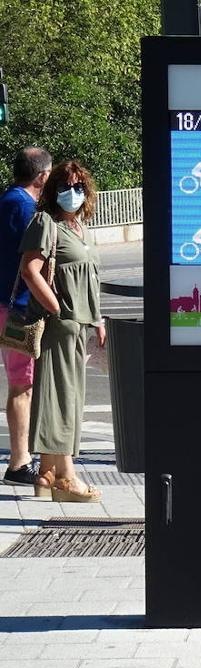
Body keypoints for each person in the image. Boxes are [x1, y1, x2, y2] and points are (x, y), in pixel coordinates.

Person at [19, 160, 104, 503]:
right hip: (59, 326)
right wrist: (55, 306)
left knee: (67, 397)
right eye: (65, 187)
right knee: (61, 399)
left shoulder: (82, 228)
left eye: (78, 187)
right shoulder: (46, 222)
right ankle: (66, 477)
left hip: (79, 325)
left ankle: (47, 473)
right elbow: (30, 270)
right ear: (52, 190)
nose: (72, 193)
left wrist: (97, 319)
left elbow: (90, 280)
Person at [0, 147, 51, 489]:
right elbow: (34, 262)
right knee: (23, 385)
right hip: (17, 307)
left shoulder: (7, 200)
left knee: (20, 383)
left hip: (5, 303)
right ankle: (20, 462)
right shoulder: (25, 207)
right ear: (42, 176)